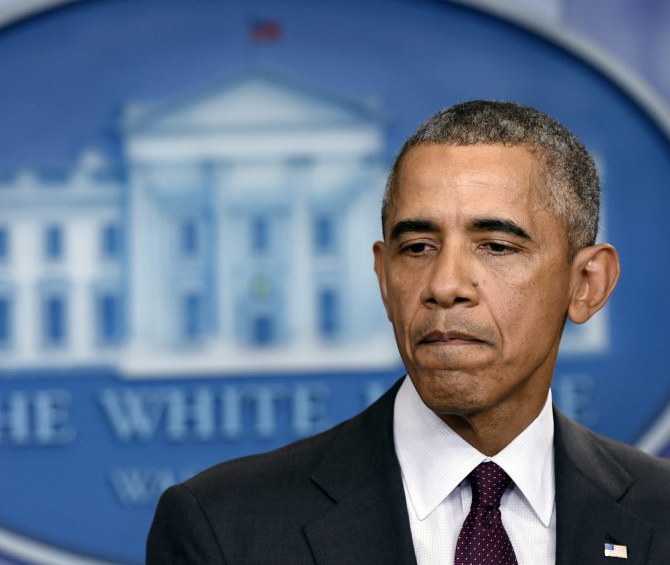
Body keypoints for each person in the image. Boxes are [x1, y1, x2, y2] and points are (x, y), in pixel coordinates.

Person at [146, 101, 670, 564]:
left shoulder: (659, 514)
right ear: (383, 277)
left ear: (586, 284)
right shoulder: (222, 529)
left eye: (496, 246)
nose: (444, 285)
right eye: (417, 247)